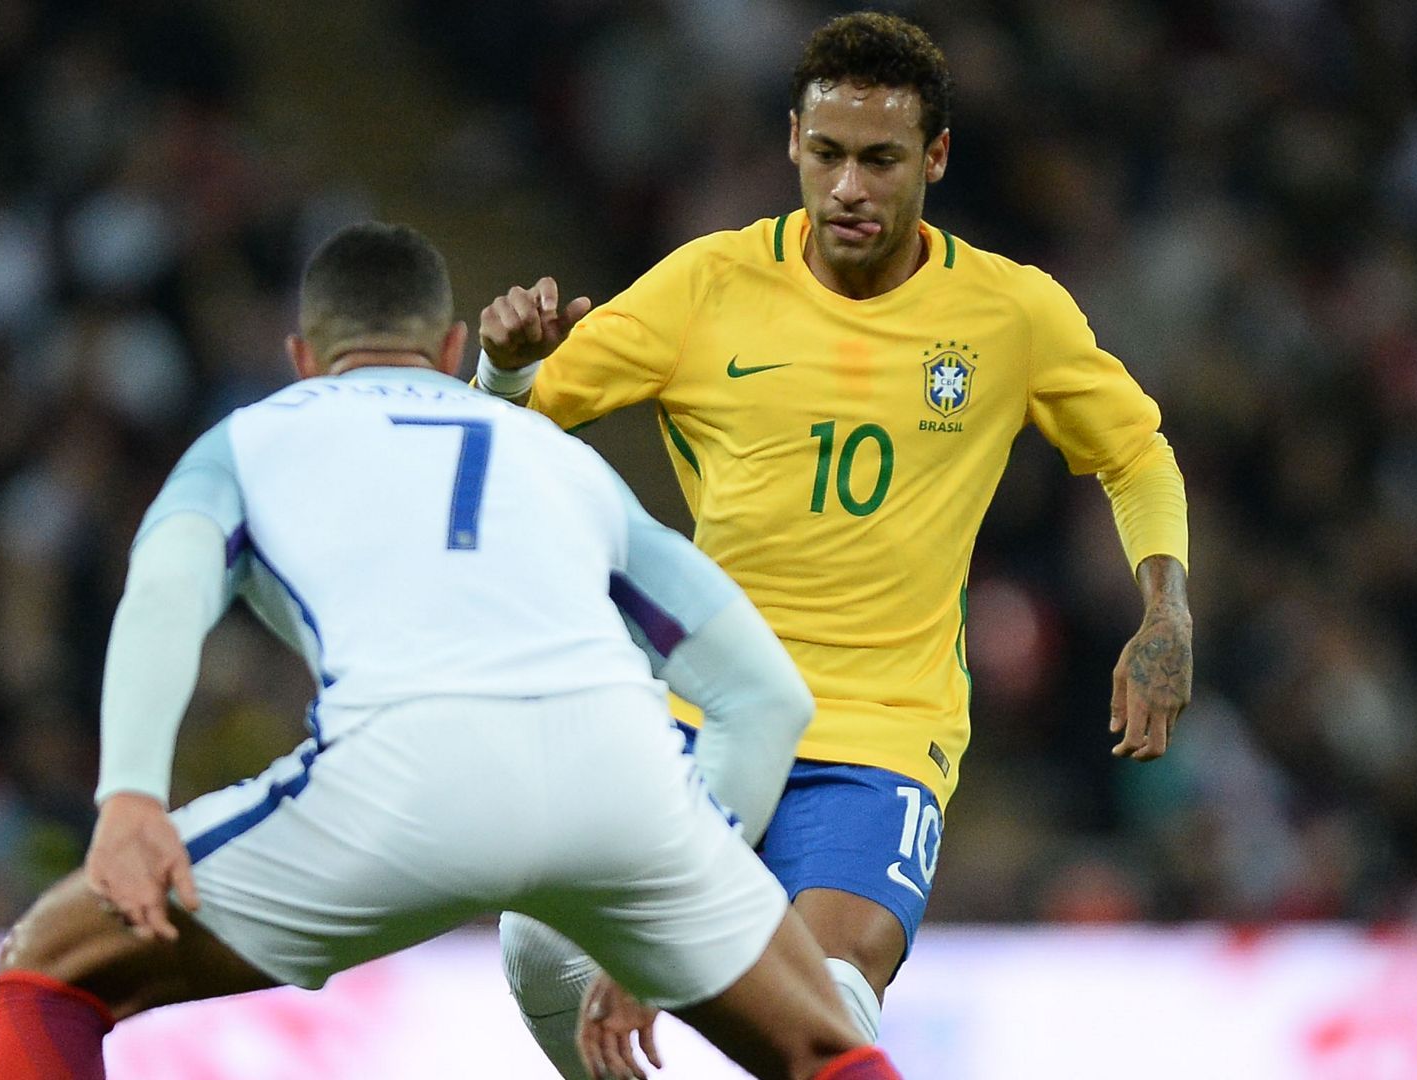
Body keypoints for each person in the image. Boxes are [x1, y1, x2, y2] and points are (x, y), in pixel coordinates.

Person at [0, 222, 907, 1080]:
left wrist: (131, 794)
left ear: (302, 359)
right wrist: (689, 882)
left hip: (399, 778)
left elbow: (164, 591)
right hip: (623, 782)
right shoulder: (563, 460)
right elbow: (767, 696)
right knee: (826, 1051)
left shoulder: (251, 440)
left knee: (49, 967)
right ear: (455, 350)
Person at [475, 10, 1194, 1076]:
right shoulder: (707, 286)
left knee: (829, 996)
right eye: (827, 154)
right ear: (793, 145)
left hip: (880, 734)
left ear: (935, 157)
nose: (848, 187)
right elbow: (506, 438)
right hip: (706, 712)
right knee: (540, 943)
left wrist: (1166, 607)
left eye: (880, 159)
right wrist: (504, 368)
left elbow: (1134, 452)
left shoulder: (1010, 313)